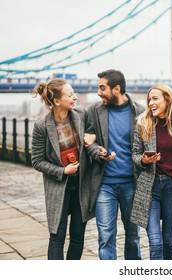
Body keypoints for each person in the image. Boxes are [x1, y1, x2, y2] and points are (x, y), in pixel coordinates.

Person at [31, 78, 94, 260]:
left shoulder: (81, 114)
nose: (75, 97)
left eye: (74, 93)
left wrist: (94, 138)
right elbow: (37, 161)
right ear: (57, 101)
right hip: (59, 187)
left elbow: (93, 132)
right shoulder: (42, 126)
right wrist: (62, 172)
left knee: (77, 237)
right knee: (57, 237)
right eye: (70, 94)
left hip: (81, 185)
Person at [86, 69, 144, 260]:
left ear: (116, 89)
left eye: (102, 88)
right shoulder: (94, 111)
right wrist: (97, 151)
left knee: (133, 237)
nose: (98, 92)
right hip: (105, 185)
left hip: (132, 185)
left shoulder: (140, 112)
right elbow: (88, 140)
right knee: (105, 237)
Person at [130, 84, 172, 260]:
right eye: (149, 100)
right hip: (149, 188)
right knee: (155, 242)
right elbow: (135, 155)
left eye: (155, 99)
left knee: (168, 240)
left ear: (167, 99)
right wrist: (144, 160)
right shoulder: (142, 124)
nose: (150, 103)